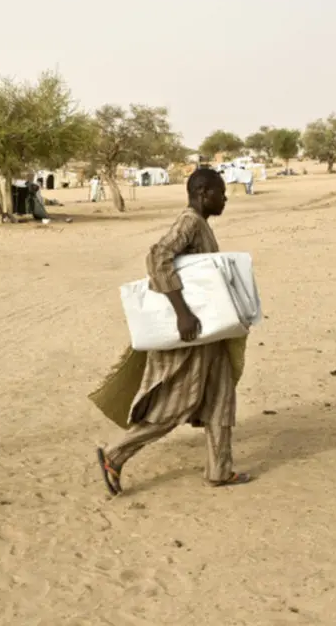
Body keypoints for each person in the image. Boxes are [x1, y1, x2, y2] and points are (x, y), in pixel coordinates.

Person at [94, 168, 250, 495]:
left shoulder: (201, 225)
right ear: (203, 192)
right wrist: (182, 313)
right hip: (192, 334)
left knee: (221, 397)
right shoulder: (190, 222)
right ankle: (115, 454)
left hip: (211, 334)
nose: (224, 199)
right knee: (176, 403)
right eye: (220, 193)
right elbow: (158, 257)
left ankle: (219, 470)